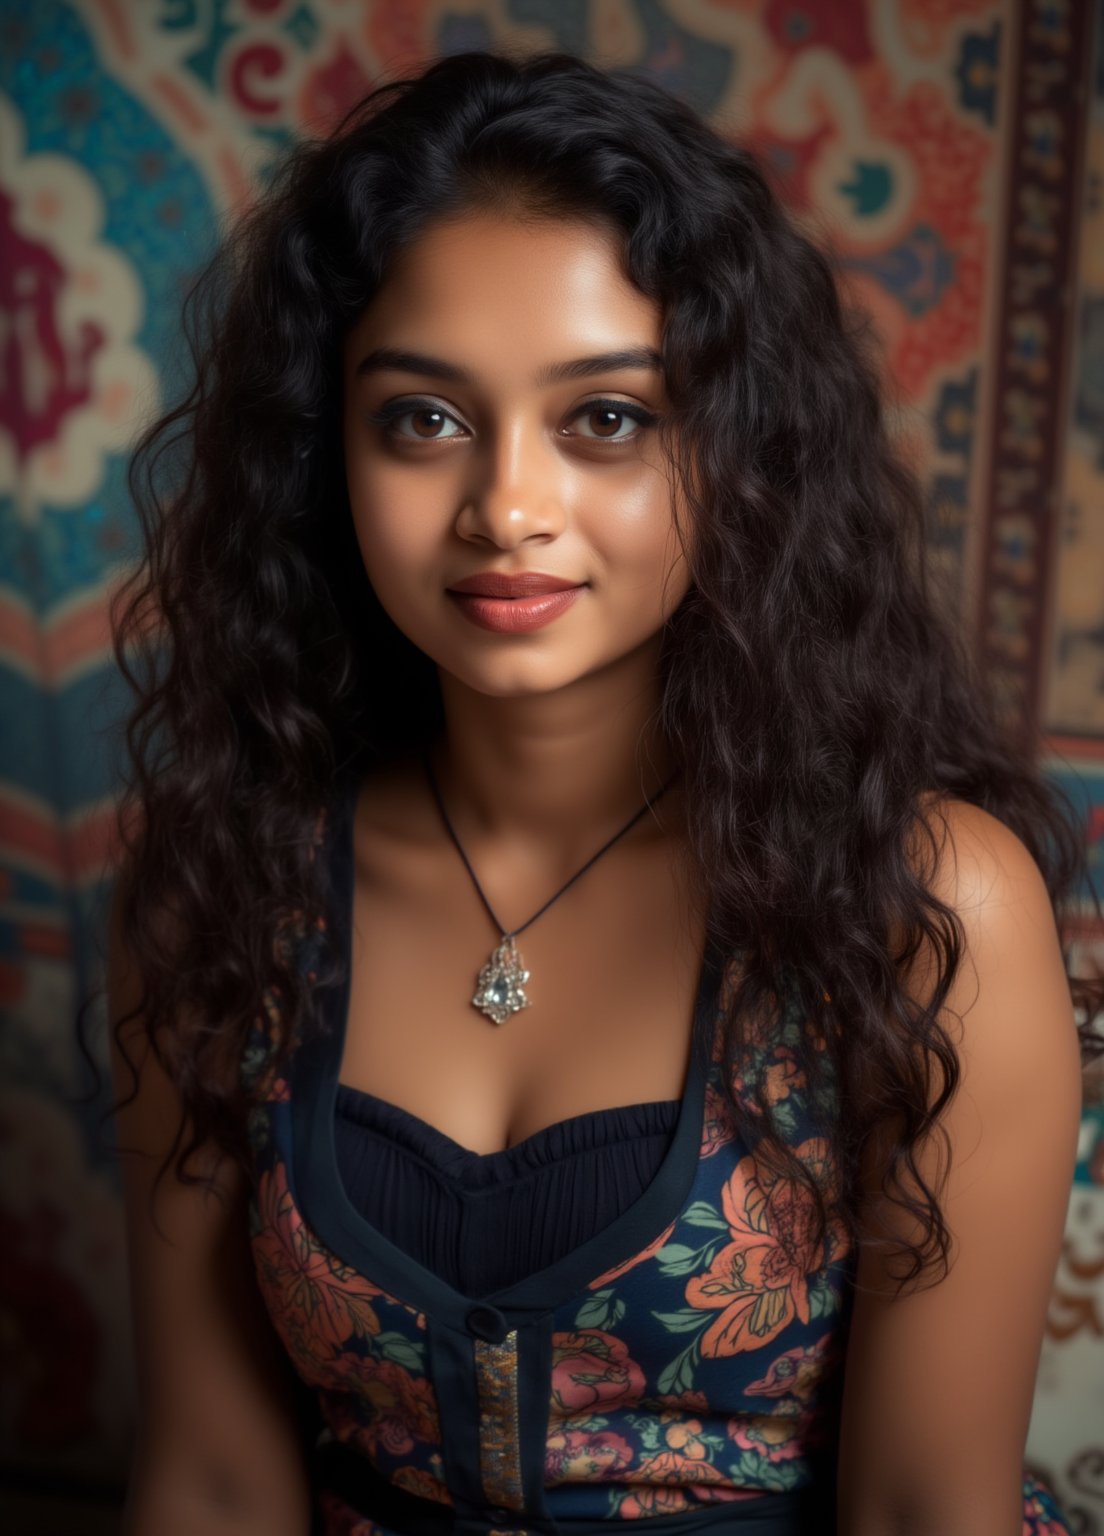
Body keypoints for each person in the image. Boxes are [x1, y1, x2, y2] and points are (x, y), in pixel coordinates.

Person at [99, 45, 1101, 1536]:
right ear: (328, 459)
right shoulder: (222, 895)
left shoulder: (917, 907)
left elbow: (919, 1509)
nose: (508, 506)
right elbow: (215, 1480)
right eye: (424, 419)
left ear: (735, 451)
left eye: (607, 419)